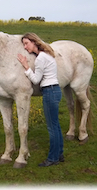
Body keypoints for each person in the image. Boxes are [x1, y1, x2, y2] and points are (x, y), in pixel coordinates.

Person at [16, 32, 64, 167]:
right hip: (55, 90)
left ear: (34, 42)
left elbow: (36, 79)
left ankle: (53, 158)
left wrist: (26, 66)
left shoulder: (40, 58)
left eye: (26, 43)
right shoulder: (46, 55)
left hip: (49, 92)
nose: (25, 47)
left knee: (52, 127)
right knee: (56, 125)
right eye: (24, 44)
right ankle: (59, 154)